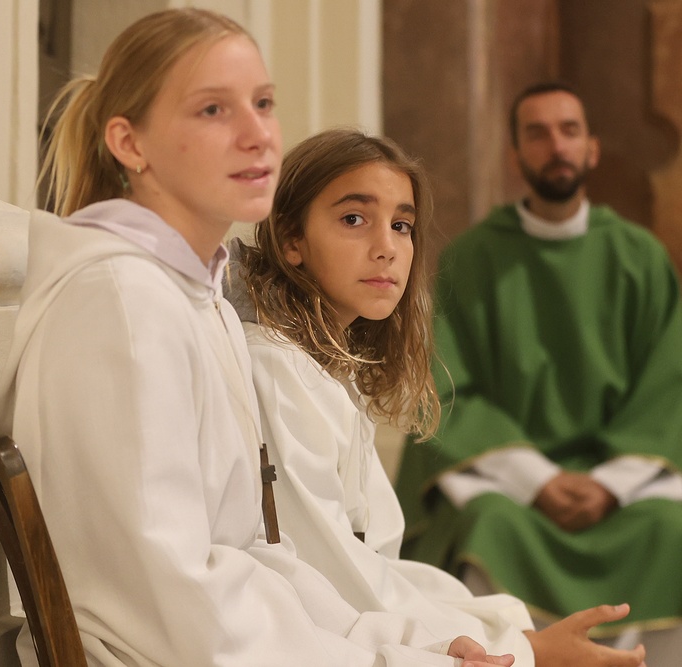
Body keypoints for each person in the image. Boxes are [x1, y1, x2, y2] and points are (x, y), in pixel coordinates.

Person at [0, 8, 514, 667]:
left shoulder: (203, 302)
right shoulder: (124, 305)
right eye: (213, 110)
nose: (258, 135)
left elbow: (256, 559)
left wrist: (400, 643)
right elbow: (174, 607)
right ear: (130, 144)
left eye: (263, 104)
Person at [228, 126, 648, 667]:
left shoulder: (328, 369)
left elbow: (375, 560)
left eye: (401, 225)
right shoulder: (279, 367)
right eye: (354, 219)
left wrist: (506, 629)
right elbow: (329, 570)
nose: (386, 248)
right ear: (291, 240)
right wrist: (521, 647)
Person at [395, 81, 682, 659]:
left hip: (622, 486)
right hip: (513, 489)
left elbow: (668, 386)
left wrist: (609, 484)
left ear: (592, 149)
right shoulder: (471, 259)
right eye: (538, 133)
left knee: (670, 530)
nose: (556, 146)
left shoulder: (639, 257)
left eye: (569, 131)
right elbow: (445, 388)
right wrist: (537, 480)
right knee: (487, 526)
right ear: (515, 155)